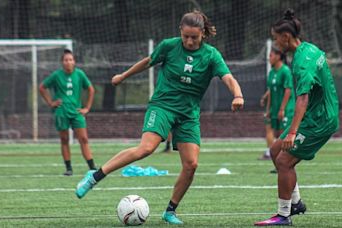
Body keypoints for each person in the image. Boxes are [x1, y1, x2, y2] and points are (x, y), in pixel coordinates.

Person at [75, 11, 244, 225]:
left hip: (188, 114)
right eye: (186, 37)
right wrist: (123, 76)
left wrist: (237, 94)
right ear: (180, 32)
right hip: (163, 106)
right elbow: (147, 62)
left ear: (203, 33)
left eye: (194, 37)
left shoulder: (211, 55)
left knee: (191, 164)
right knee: (146, 148)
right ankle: (94, 176)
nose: (189, 41)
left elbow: (228, 77)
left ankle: (170, 211)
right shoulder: (169, 46)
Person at [255, 9, 339, 226]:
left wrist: (292, 132)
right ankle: (296, 202)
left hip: (319, 120)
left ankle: (284, 215)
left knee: (284, 161)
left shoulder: (301, 63)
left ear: (285, 37)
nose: (275, 43)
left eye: (275, 38)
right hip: (316, 114)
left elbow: (302, 99)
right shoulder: (310, 48)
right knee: (275, 150)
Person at [39, 49, 97, 176]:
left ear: (74, 62)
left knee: (84, 139)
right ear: (62, 62)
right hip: (62, 112)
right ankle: (68, 168)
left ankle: (92, 167)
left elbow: (91, 90)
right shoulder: (56, 75)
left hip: (76, 112)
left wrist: (87, 108)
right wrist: (51, 103)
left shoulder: (80, 74)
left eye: (70, 59)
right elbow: (42, 87)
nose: (68, 62)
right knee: (64, 139)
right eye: (66, 60)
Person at [259, 46, 295, 175]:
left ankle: (286, 164)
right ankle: (279, 164)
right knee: (276, 135)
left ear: (279, 56)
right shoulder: (272, 72)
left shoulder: (285, 71)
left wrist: (282, 109)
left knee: (283, 136)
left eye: (271, 55)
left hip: (286, 109)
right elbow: (271, 92)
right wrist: (268, 109)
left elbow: (288, 90)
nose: (269, 58)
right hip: (274, 109)